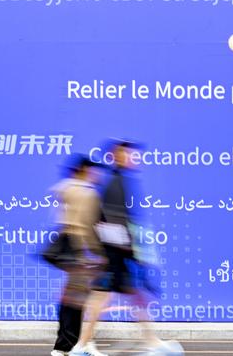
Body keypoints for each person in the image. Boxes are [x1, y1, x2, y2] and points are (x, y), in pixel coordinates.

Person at [72, 140, 164, 356]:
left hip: (116, 252)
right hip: (115, 254)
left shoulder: (119, 180)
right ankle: (81, 346)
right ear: (117, 156)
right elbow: (113, 219)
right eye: (127, 154)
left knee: (131, 295)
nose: (132, 157)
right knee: (103, 296)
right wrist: (129, 250)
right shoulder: (115, 182)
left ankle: (153, 343)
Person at [50, 155, 105, 356]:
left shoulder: (64, 189)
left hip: (69, 251)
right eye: (93, 170)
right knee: (83, 300)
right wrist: (99, 253)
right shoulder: (88, 194)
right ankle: (76, 345)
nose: (97, 174)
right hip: (83, 252)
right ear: (84, 170)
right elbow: (90, 226)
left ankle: (71, 344)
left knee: (73, 299)